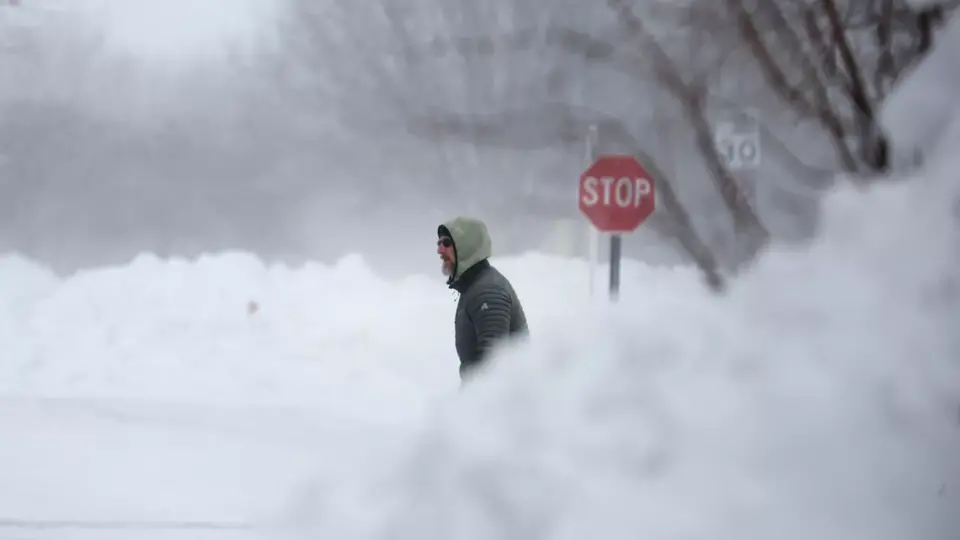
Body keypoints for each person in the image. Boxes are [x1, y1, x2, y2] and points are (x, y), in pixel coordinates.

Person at [437, 216, 529, 382]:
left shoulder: (487, 292)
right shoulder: (475, 286)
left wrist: (472, 403)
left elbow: (493, 367)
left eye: (446, 243)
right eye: (439, 243)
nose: (440, 250)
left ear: (467, 246)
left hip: (503, 405)